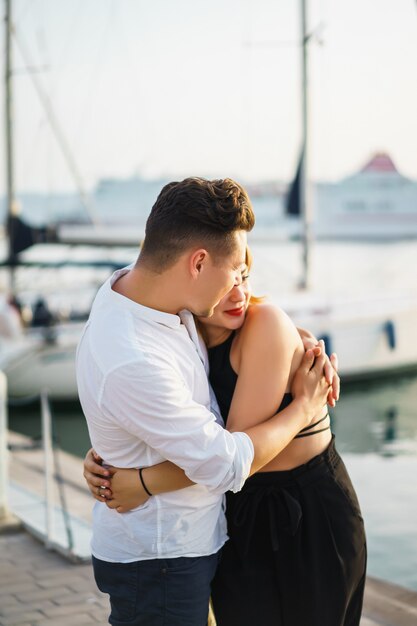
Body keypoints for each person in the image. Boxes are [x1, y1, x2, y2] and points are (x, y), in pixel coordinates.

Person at [77, 177, 336, 626]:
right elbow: (222, 462)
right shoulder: (133, 356)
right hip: (161, 558)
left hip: (199, 543)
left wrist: (298, 340)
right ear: (198, 263)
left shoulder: (153, 298)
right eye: (233, 270)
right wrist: (304, 408)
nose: (238, 285)